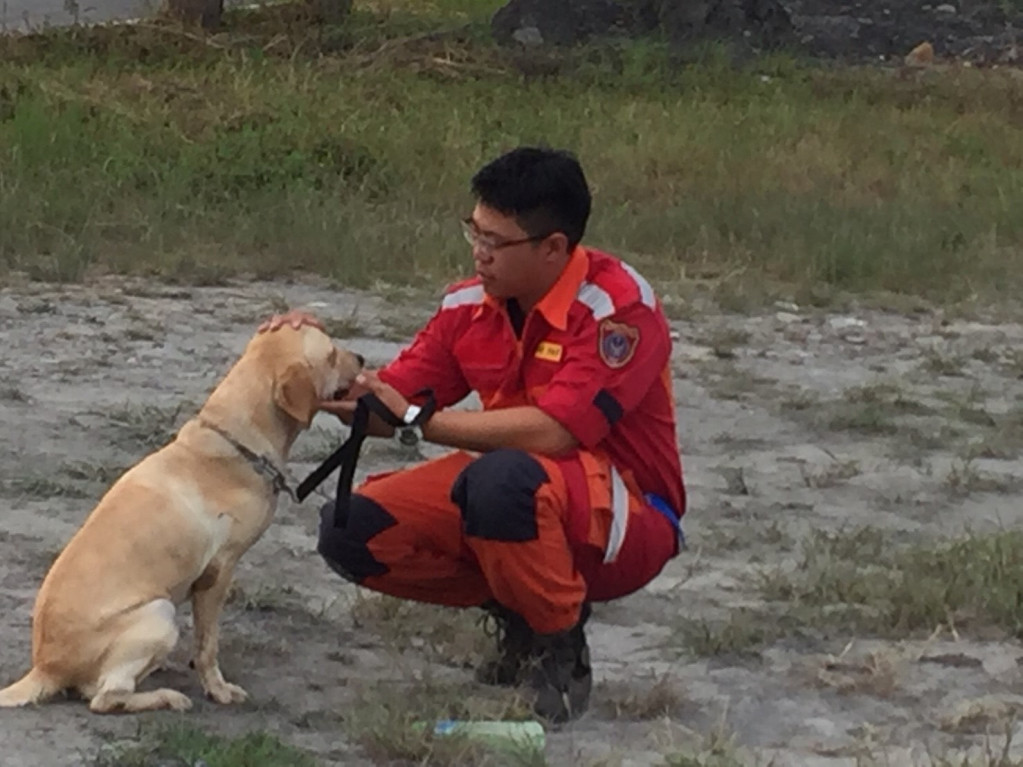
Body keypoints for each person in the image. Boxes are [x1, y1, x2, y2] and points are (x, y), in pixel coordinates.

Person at [262, 146, 686, 724]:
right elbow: (390, 403)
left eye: (496, 241)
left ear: (554, 248)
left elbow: (558, 432)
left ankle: (560, 642)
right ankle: (522, 611)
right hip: (515, 488)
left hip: (628, 513)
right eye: (474, 232)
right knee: (350, 529)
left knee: (499, 481)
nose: (479, 254)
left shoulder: (618, 308)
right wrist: (308, 353)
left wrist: (427, 424)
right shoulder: (469, 304)